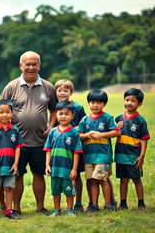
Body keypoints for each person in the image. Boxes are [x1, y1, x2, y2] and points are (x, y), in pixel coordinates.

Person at [0, 51, 57, 215]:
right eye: (27, 64)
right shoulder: (11, 87)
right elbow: (1, 111)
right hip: (16, 142)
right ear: (21, 66)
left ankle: (40, 207)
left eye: (34, 64)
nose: (31, 67)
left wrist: (51, 125)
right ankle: (16, 208)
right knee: (16, 176)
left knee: (39, 174)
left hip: (41, 140)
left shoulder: (47, 86)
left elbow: (55, 110)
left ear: (39, 66)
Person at [78, 89, 120, 212]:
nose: (95, 105)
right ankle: (94, 205)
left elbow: (117, 131)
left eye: (99, 103)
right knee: (91, 181)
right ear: (88, 103)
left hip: (103, 156)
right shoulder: (85, 119)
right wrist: (86, 135)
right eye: (92, 102)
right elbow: (79, 135)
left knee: (102, 179)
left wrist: (101, 135)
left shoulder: (107, 118)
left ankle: (108, 205)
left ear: (104, 104)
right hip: (89, 156)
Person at [0, 99, 25, 219]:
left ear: (12, 113)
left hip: (10, 166)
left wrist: (16, 164)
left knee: (8, 188)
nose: (4, 115)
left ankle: (8, 211)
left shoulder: (15, 130)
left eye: (7, 112)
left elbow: (18, 148)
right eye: (1, 112)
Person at [44, 101, 83, 217]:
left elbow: (76, 153)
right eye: (61, 114)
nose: (63, 116)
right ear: (56, 114)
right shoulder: (52, 132)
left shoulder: (74, 133)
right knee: (55, 191)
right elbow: (48, 150)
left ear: (72, 116)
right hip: (55, 169)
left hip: (67, 169)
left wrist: (75, 169)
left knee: (69, 190)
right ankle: (57, 210)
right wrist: (47, 165)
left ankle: (69, 209)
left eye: (67, 114)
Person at [115, 88, 150, 211]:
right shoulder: (119, 118)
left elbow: (144, 139)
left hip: (133, 156)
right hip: (120, 156)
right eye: (127, 100)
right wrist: (116, 129)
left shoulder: (140, 121)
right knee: (123, 181)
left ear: (139, 104)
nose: (129, 103)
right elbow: (112, 133)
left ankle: (141, 203)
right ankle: (123, 204)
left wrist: (142, 156)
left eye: (133, 101)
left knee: (136, 180)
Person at [54, 79, 86, 212]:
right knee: (61, 175)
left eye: (65, 91)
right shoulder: (56, 106)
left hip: (74, 146)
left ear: (71, 92)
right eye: (59, 90)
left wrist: (75, 130)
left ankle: (78, 202)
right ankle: (61, 205)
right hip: (60, 148)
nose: (62, 93)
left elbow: (84, 123)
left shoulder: (77, 107)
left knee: (76, 174)